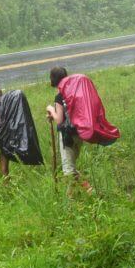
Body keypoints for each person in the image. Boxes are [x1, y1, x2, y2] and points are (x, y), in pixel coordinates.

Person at [45, 66, 93, 195]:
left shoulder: (59, 96)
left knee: (69, 171)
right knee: (71, 167)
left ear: (53, 79)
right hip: (79, 133)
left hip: (67, 136)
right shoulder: (74, 92)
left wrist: (51, 109)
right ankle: (78, 195)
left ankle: (84, 193)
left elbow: (59, 120)